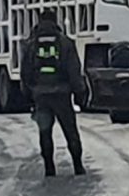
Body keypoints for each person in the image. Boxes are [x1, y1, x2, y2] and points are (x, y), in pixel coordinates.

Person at [20, 10, 86, 177]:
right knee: (70, 130)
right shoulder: (65, 43)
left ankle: (49, 167)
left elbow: (25, 73)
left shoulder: (30, 44)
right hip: (62, 95)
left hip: (40, 96)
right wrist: (80, 94)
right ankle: (78, 165)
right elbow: (74, 70)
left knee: (45, 132)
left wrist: (28, 96)